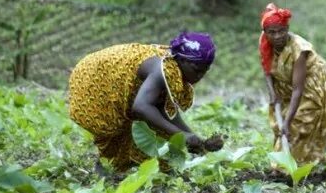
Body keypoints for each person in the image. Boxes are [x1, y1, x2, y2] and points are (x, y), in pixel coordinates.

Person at [68, 31, 223, 172]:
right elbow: (141, 107)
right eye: (197, 70)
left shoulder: (173, 69)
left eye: (205, 70)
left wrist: (193, 137)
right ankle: (104, 166)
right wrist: (182, 134)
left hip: (109, 76)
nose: (200, 76)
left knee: (155, 126)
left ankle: (126, 167)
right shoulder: (162, 70)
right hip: (94, 78)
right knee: (114, 124)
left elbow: (164, 110)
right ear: (182, 60)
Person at [260, 3, 326, 164]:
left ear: (287, 29)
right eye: (272, 32)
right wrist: (272, 91)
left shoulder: (299, 50)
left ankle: (298, 163)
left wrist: (287, 122)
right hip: (284, 77)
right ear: (265, 32)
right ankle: (285, 161)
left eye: (281, 31)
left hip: (311, 80)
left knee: (301, 122)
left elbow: (297, 90)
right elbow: (266, 68)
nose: (277, 36)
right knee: (281, 123)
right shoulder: (265, 42)